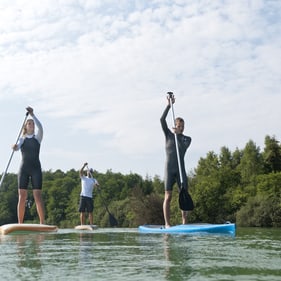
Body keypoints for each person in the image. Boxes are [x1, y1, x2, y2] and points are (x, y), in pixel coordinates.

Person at [160, 94, 192, 228]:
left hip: (180, 170)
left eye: (183, 126)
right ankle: (167, 224)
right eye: (179, 126)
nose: (182, 128)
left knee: (183, 194)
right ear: (175, 125)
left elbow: (182, 147)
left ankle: (184, 223)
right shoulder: (168, 135)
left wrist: (178, 135)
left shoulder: (186, 139)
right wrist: (168, 105)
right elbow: (162, 120)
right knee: (168, 197)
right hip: (169, 169)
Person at [13, 106, 45, 224]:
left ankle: (42, 223)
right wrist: (14, 147)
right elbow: (17, 147)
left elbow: (41, 127)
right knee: (22, 195)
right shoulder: (22, 139)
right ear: (26, 127)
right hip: (24, 169)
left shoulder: (38, 138)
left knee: (37, 195)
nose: (31, 124)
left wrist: (33, 115)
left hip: (36, 169)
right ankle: (20, 223)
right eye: (29, 123)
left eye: (32, 123)